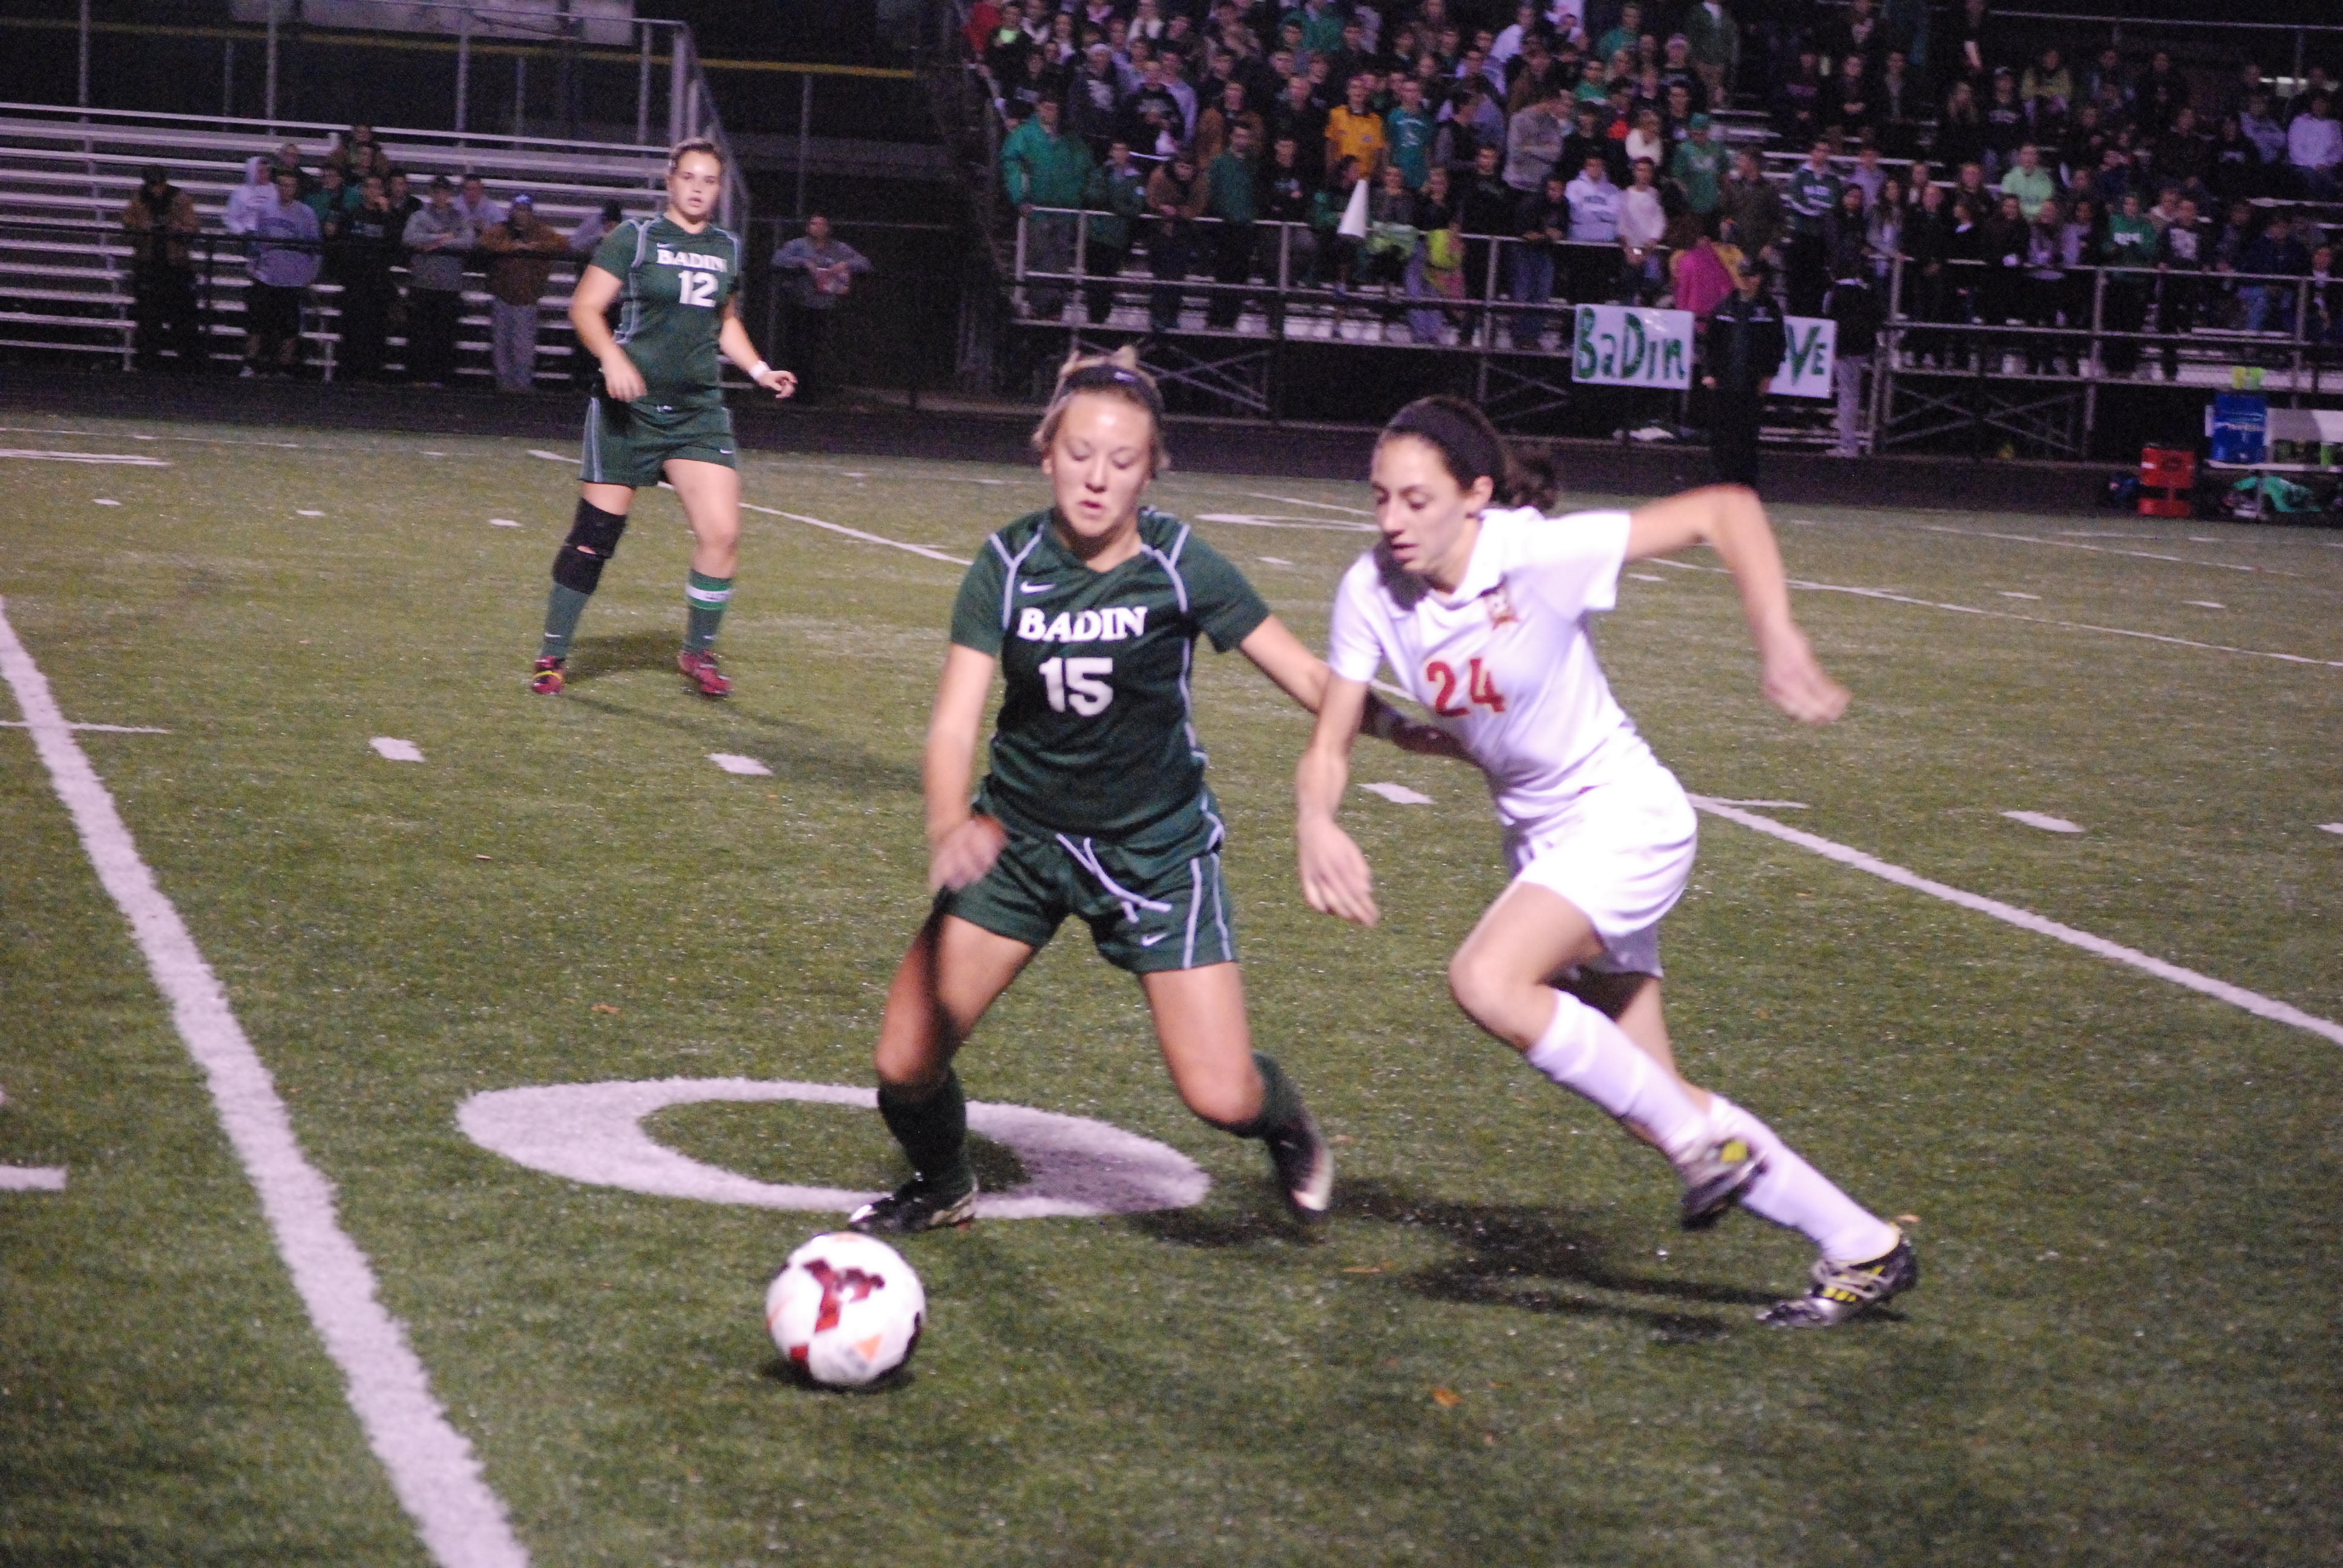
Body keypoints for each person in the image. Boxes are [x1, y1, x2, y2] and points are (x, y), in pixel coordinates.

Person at [1295, 396, 1918, 1329]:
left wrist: (1778, 636)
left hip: (1626, 819)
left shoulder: (1536, 553)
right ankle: (1866, 1246)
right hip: (1545, 842)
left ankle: (1705, 1155)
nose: (1391, 521)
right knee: (1659, 1103)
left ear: (1476, 495)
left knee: (1488, 980)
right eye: (1380, 497)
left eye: (1415, 499)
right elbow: (1334, 735)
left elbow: (1726, 511)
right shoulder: (1370, 588)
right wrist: (1316, 817)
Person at [845, 350, 1419, 1236]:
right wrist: (946, 820)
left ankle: (1285, 1118)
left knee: (1220, 1095)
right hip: (1021, 842)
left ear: (1151, 471)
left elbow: (1307, 672)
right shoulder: (1005, 562)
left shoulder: (1181, 562)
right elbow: (956, 722)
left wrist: (1418, 732)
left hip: (1156, 851)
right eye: (1079, 454)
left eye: (1121, 460)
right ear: (1046, 454)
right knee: (904, 1062)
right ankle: (946, 1183)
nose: (1097, 477)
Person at [529, 139, 796, 701]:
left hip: (698, 412)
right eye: (690, 177)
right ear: (670, 181)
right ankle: (552, 652)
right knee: (595, 538)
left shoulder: (727, 247)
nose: (699, 188)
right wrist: (613, 357)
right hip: (630, 412)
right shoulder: (637, 238)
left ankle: (696, 652)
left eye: (710, 181)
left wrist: (759, 369)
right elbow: (584, 308)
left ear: (719, 190)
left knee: (722, 534)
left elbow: (725, 321)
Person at [1003, 98, 1095, 321]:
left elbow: (1085, 166)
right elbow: (1012, 166)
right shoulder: (1024, 136)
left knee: (1060, 259)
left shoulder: (1069, 139)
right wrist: (1020, 198)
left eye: (1054, 107)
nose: (1051, 112)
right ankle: (1038, 306)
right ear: (1038, 108)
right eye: (1047, 107)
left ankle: (1055, 307)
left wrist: (1077, 196)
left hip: (1064, 209)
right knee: (1040, 256)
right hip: (1037, 208)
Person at [770, 214, 873, 402]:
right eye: (813, 223)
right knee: (796, 350)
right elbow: (778, 260)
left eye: (821, 224)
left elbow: (864, 264)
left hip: (825, 307)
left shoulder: (839, 249)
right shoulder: (798, 246)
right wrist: (803, 263)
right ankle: (792, 393)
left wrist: (843, 265)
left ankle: (815, 394)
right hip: (799, 305)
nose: (817, 227)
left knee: (818, 352)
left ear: (828, 228)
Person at [474, 195, 569, 393]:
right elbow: (484, 242)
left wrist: (535, 247)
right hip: (503, 296)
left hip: (527, 299)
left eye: (525, 210)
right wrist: (512, 247)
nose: (522, 214)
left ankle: (522, 386)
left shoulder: (540, 231)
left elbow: (562, 244)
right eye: (518, 210)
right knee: (502, 345)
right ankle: (504, 385)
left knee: (524, 347)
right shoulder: (503, 230)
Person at [1703, 259, 1785, 488]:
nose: (1745, 280)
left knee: (1748, 433)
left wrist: (1769, 375)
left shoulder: (1768, 309)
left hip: (1751, 381)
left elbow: (1777, 345)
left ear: (1759, 278)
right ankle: (1721, 480)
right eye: (1742, 275)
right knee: (1722, 433)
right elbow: (1711, 343)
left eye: (1749, 276)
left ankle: (1745, 483)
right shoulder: (1725, 306)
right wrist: (1710, 372)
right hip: (1726, 379)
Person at [121, 166, 201, 373]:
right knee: (148, 319)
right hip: (149, 265)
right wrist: (143, 229)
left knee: (183, 318)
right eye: (152, 184)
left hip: (175, 266)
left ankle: (189, 363)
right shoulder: (138, 200)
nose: (155, 189)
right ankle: (148, 362)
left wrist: (179, 229)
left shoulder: (179, 198)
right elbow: (128, 230)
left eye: (157, 184)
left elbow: (193, 228)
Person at [246, 166, 321, 377]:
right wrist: (252, 265)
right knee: (258, 323)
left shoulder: (306, 214)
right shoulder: (264, 210)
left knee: (289, 326)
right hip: (267, 276)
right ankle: (252, 364)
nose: (286, 189)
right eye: (282, 185)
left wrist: (311, 275)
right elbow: (257, 241)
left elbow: (316, 247)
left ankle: (285, 367)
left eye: (290, 186)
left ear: (296, 189)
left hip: (292, 279)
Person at [400, 176, 473, 388]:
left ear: (449, 194)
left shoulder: (460, 217)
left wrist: (432, 242)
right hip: (422, 285)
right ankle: (417, 377)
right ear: (431, 193)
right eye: (437, 191)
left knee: (445, 335)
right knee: (419, 335)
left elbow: (469, 242)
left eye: (444, 191)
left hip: (448, 287)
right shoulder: (419, 216)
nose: (440, 195)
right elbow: (409, 238)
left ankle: (442, 378)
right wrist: (444, 239)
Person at [335, 174, 400, 381]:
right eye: (369, 187)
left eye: (377, 188)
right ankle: (349, 372)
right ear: (363, 191)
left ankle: (373, 373)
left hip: (378, 282)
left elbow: (395, 245)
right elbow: (341, 246)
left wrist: (387, 213)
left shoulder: (388, 216)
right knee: (353, 328)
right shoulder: (352, 215)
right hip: (356, 281)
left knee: (376, 330)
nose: (373, 192)